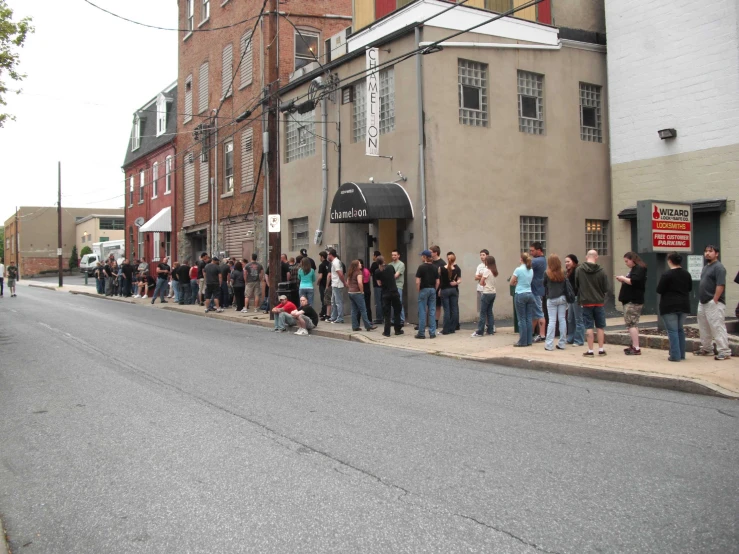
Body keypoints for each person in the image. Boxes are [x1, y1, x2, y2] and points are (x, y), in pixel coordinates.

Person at [695, 244, 731, 361]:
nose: (707, 253)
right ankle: (707, 348)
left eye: (710, 251)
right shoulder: (706, 267)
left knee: (717, 326)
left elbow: (720, 285)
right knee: (703, 327)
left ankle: (724, 351)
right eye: (706, 251)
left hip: (714, 302)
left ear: (716, 254)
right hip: (703, 302)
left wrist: (715, 299)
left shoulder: (719, 267)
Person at [656, 252, 693, 362]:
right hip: (684, 304)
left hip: (669, 305)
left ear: (669, 261)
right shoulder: (686, 274)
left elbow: (659, 290)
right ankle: (681, 354)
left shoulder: (667, 275)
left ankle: (675, 355)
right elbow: (689, 288)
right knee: (680, 329)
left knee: (672, 331)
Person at [575, 249, 609, 357]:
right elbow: (605, 287)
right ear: (596, 257)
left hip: (586, 301)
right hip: (599, 301)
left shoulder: (580, 270)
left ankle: (590, 351)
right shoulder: (602, 271)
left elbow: (577, 285)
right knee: (600, 326)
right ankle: (601, 349)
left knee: (588, 326)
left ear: (586, 257)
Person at [616, 251, 648, 355]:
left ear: (632, 259)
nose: (626, 263)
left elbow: (634, 281)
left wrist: (623, 279)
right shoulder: (637, 269)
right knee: (633, 323)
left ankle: (636, 347)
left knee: (631, 324)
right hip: (632, 299)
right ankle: (634, 344)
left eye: (627, 261)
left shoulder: (638, 269)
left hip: (633, 300)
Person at [374, 256, 404, 337]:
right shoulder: (390, 267)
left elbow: (379, 283)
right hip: (394, 292)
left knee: (387, 314)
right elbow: (393, 277)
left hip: (385, 293)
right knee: (397, 311)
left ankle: (387, 332)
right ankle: (397, 330)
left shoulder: (377, 271)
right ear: (384, 261)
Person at [542, 254, 568, 351]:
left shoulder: (547, 273)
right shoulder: (563, 272)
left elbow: (544, 284)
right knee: (562, 319)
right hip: (562, 298)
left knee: (552, 321)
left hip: (552, 298)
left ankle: (549, 344)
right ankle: (562, 343)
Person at [511, 253, 534, 347]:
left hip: (520, 293)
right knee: (529, 318)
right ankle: (529, 340)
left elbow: (512, 282)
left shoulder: (518, 269)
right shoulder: (531, 269)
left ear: (521, 259)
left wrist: (517, 282)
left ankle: (522, 341)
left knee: (521, 319)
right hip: (529, 293)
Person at [415, 249, 439, 339]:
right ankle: (432, 333)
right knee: (432, 311)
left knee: (422, 311)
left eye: (422, 256)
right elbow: (438, 281)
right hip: (432, 289)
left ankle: (421, 333)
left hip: (424, 289)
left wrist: (419, 290)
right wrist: (434, 289)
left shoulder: (421, 267)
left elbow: (417, 281)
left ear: (425, 257)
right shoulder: (435, 267)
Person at [472, 254, 497, 337]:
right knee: (489, 311)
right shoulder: (494, 271)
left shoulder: (487, 270)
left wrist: (483, 283)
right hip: (493, 292)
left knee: (483, 312)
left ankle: (480, 331)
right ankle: (490, 330)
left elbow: (482, 281)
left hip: (486, 292)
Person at [346, 259, 376, 332]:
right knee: (363, 310)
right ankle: (368, 325)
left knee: (354, 310)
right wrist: (362, 291)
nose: (361, 265)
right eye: (359, 264)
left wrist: (350, 288)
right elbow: (360, 283)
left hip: (350, 292)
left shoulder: (350, 272)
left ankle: (355, 326)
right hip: (357, 292)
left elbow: (347, 282)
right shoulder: (359, 272)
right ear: (356, 265)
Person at [564, 254, 585, 346]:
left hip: (577, 297)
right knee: (570, 318)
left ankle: (579, 340)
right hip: (571, 298)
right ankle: (571, 338)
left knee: (578, 319)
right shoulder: (569, 272)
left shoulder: (578, 271)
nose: (566, 263)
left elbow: (580, 285)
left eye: (568, 261)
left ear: (574, 262)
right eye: (565, 262)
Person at [439, 252, 461, 335]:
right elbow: (459, 279)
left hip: (445, 289)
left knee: (447, 310)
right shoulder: (457, 268)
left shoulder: (442, 268)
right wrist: (456, 283)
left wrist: (440, 289)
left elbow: (440, 280)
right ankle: (452, 328)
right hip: (453, 290)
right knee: (454, 310)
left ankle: (445, 329)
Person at [529, 242, 547, 343]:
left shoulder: (537, 261)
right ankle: (531, 333)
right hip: (537, 290)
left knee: (539, 313)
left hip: (536, 290)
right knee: (535, 313)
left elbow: (525, 265)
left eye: (532, 250)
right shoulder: (542, 260)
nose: (531, 253)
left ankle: (542, 335)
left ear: (539, 250)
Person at [328, 249, 346, 324]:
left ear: (331, 255)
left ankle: (340, 318)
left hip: (337, 284)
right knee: (333, 301)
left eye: (328, 254)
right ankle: (334, 317)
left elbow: (340, 274)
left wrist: (344, 282)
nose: (328, 256)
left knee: (338, 302)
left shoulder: (336, 263)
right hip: (335, 284)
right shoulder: (335, 262)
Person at [389, 250, 406, 325]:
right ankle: (393, 320)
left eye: (395, 255)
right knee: (392, 304)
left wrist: (388, 277)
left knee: (399, 303)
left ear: (398, 256)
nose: (393, 256)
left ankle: (401, 320)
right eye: (392, 255)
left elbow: (396, 275)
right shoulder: (390, 264)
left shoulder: (401, 264)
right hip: (391, 286)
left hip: (398, 286)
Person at [474, 249, 489, 320]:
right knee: (481, 309)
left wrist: (481, 275)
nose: (481, 257)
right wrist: (482, 275)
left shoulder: (489, 266)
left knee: (487, 309)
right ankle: (484, 324)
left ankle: (490, 325)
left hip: (487, 289)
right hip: (479, 289)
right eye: (480, 255)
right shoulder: (479, 266)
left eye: (483, 255)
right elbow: (476, 277)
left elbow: (489, 276)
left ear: (487, 256)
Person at [370, 251, 383, 324]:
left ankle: (379, 318)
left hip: (376, 285)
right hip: (383, 285)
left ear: (375, 256)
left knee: (378, 302)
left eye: (373, 255)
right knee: (383, 301)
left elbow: (370, 272)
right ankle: (384, 316)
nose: (372, 257)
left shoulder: (374, 264)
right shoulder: (382, 265)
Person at [317, 251, 330, 320]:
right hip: (329, 284)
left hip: (322, 284)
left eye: (320, 256)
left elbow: (320, 276)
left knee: (323, 299)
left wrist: (318, 282)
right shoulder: (329, 264)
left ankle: (324, 313)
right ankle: (325, 312)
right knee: (328, 299)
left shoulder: (321, 265)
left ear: (322, 257)